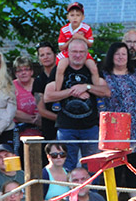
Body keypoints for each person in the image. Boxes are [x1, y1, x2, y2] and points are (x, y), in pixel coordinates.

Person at [43, 37, 111, 171]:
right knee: (67, 165)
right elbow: (48, 96)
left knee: (92, 165)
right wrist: (72, 91)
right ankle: (69, 191)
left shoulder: (91, 69)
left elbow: (107, 92)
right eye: (74, 52)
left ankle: (91, 192)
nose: (78, 55)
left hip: (90, 126)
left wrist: (86, 87)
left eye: (81, 52)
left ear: (87, 54)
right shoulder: (60, 69)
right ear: (68, 52)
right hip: (66, 127)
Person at [101, 41, 136, 157]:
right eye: (117, 54)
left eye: (124, 54)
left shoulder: (135, 74)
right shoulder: (104, 75)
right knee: (117, 162)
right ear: (111, 56)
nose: (120, 57)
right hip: (117, 125)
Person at [12, 56, 41, 139]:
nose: (23, 73)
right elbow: (12, 110)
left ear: (31, 72)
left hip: (40, 129)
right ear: (15, 74)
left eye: (26, 69)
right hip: (19, 130)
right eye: (19, 70)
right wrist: (33, 120)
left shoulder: (39, 83)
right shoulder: (11, 87)